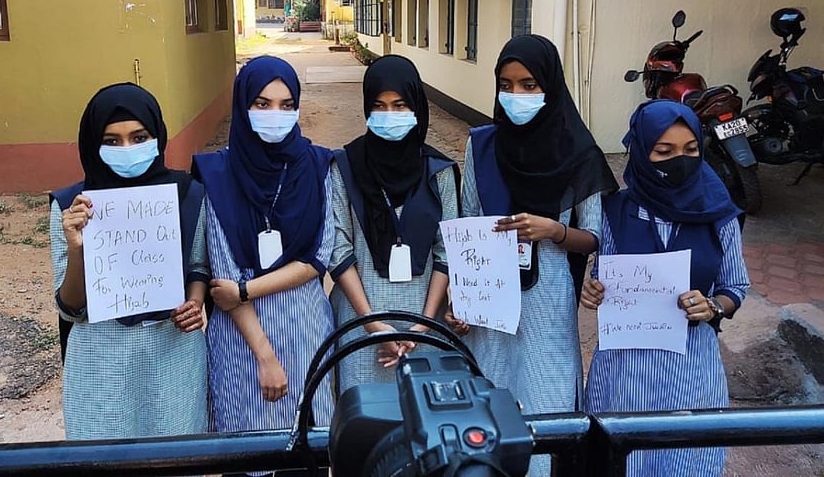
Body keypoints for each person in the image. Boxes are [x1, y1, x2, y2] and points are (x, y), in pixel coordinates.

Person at [460, 34, 619, 476]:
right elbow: (468, 219)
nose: (516, 96)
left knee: (546, 397)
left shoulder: (578, 152)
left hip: (548, 299)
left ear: (550, 85)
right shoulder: (483, 147)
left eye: (529, 85)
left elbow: (595, 237)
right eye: (506, 85)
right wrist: (464, 296)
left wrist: (555, 231)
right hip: (490, 298)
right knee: (490, 399)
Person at [582, 100, 749, 476]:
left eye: (691, 150)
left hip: (691, 369)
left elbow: (735, 286)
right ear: (641, 151)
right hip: (624, 371)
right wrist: (592, 291)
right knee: (623, 459)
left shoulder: (719, 213)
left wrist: (713, 307)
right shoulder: (614, 211)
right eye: (664, 151)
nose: (680, 160)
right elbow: (601, 275)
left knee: (686, 459)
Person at [192, 57, 335, 463]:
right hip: (241, 345)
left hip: (306, 333)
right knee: (247, 454)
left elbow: (318, 257)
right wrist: (266, 357)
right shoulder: (215, 174)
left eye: (287, 105)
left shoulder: (320, 166)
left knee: (308, 451)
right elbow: (221, 276)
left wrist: (245, 288)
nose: (276, 115)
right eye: (262, 103)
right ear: (241, 106)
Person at [50, 82, 209, 440]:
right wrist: (77, 250)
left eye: (139, 137)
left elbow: (198, 264)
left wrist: (195, 301)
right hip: (100, 361)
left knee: (178, 458)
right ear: (93, 143)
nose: (127, 149)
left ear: (158, 136)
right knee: (105, 460)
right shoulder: (71, 207)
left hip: (173, 354)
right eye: (112, 140)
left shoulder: (188, 194)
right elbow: (70, 308)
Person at [328, 54, 466, 393]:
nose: (389, 116)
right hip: (359, 320)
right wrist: (375, 326)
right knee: (366, 420)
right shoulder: (344, 167)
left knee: (424, 417)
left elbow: (446, 250)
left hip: (424, 320)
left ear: (417, 106)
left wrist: (423, 327)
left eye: (400, 105)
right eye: (380, 106)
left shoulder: (440, 172)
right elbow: (338, 248)